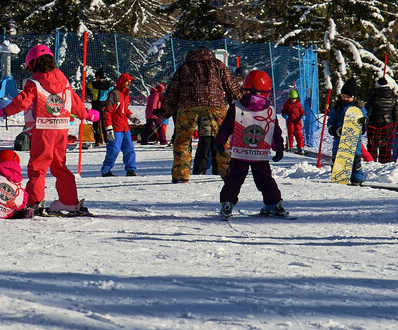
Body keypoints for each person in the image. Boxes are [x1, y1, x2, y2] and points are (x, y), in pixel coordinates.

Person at [0, 44, 97, 216]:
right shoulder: (64, 80)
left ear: (32, 64)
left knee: (38, 166)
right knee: (59, 165)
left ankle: (34, 202)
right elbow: (74, 102)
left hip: (43, 128)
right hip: (61, 129)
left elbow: (23, 102)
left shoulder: (34, 82)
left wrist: (6, 110)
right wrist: (87, 115)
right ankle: (69, 202)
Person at [156, 48, 242, 183]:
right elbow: (231, 86)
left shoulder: (184, 67)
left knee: (182, 140)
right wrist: (240, 105)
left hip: (187, 104)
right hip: (215, 103)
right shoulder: (217, 64)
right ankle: (228, 172)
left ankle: (180, 175)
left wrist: (165, 112)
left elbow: (172, 92)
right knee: (223, 137)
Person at [215, 70, 288, 219]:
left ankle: (227, 203)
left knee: (233, 179)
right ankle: (274, 204)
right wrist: (279, 149)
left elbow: (226, 127)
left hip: (240, 153)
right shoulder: (269, 111)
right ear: (267, 91)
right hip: (260, 154)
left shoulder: (236, 107)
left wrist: (219, 142)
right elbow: (275, 133)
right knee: (265, 179)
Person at [327, 80, 367, 185]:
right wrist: (332, 129)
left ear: (354, 97)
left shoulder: (359, 108)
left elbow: (364, 118)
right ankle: (338, 176)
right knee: (337, 159)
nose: (344, 98)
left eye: (347, 96)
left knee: (355, 161)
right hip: (339, 139)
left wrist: (364, 122)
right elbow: (331, 120)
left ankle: (357, 179)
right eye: (343, 96)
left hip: (354, 141)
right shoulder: (337, 107)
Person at [100, 73, 139, 177]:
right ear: (122, 81)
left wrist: (131, 117)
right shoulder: (114, 93)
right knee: (114, 149)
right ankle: (106, 170)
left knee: (129, 149)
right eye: (127, 81)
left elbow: (124, 110)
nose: (129, 84)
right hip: (116, 127)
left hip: (125, 127)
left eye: (130, 82)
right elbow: (108, 111)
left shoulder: (125, 94)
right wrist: (108, 127)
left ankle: (131, 169)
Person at [364, 82, 398, 163]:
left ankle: (371, 162)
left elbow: (367, 112)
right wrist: (394, 125)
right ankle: (385, 163)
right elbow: (395, 114)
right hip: (388, 125)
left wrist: (366, 124)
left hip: (374, 125)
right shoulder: (393, 98)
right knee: (386, 146)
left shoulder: (373, 98)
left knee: (372, 145)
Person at [87, 68, 114, 146]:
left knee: (104, 123)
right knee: (96, 124)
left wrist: (106, 105)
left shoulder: (108, 85)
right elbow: (87, 87)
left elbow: (112, 94)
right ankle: (98, 140)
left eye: (97, 77)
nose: (96, 78)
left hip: (103, 105)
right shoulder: (94, 84)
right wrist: (91, 95)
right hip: (95, 105)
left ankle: (106, 140)